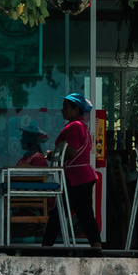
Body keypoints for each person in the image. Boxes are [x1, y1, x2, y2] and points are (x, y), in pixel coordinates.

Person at [52, 93, 100, 248]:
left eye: (65, 107)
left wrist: (52, 155)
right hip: (85, 175)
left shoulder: (73, 127)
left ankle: (45, 247)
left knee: (58, 212)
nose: (62, 110)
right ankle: (96, 245)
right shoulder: (82, 126)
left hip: (76, 176)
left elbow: (71, 151)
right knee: (85, 214)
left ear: (76, 109)